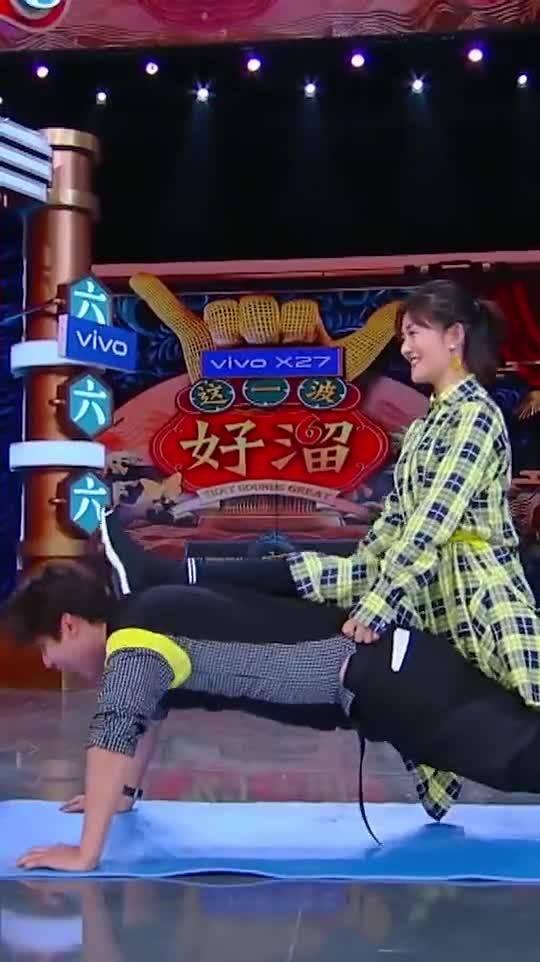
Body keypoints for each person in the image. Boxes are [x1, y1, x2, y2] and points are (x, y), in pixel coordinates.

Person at [101, 279, 540, 818]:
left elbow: (431, 524)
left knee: (509, 732)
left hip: (470, 589)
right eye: (402, 334)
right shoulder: (430, 420)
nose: (404, 347)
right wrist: (361, 570)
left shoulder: (473, 416)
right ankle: (165, 574)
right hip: (418, 577)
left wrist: (377, 603)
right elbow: (396, 521)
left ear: (454, 337)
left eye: (414, 333)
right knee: (308, 570)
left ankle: (165, 575)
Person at [3, 552, 540, 874]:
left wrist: (85, 853)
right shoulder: (147, 613)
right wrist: (121, 796)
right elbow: (147, 716)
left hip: (393, 682)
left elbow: (114, 731)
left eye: (46, 648)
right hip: (391, 677)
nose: (50, 663)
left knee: (518, 758)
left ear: (69, 624)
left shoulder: (135, 642)